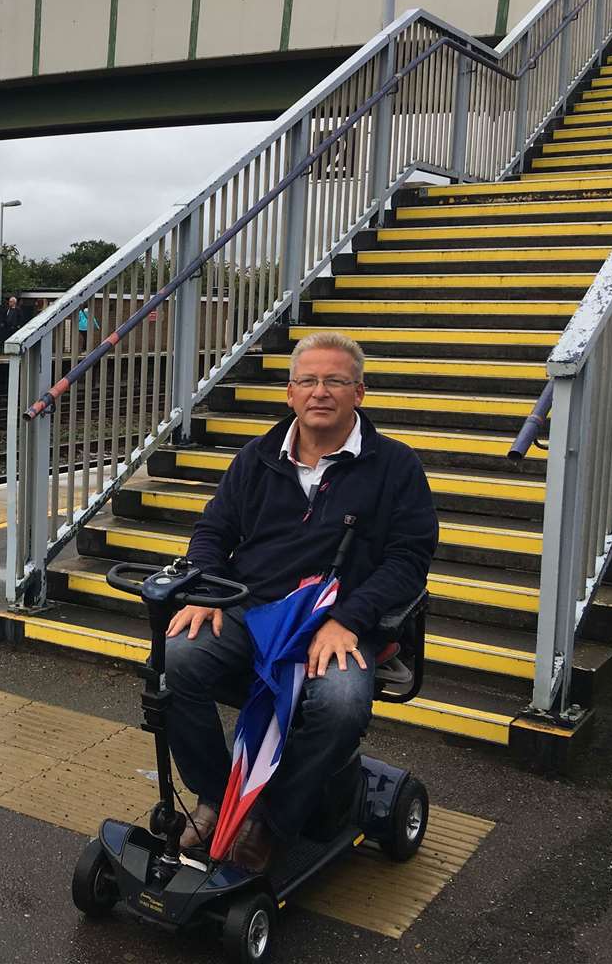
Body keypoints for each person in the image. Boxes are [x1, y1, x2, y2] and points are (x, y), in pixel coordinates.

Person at [163, 332, 437, 873]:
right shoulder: (256, 458)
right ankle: (221, 801)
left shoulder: (396, 467)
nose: (320, 392)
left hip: (338, 622)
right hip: (255, 610)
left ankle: (273, 822)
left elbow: (408, 561)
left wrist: (349, 621)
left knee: (339, 705)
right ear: (290, 393)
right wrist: (205, 588)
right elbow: (213, 532)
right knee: (176, 659)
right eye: (308, 381)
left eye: (335, 380)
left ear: (359, 392)